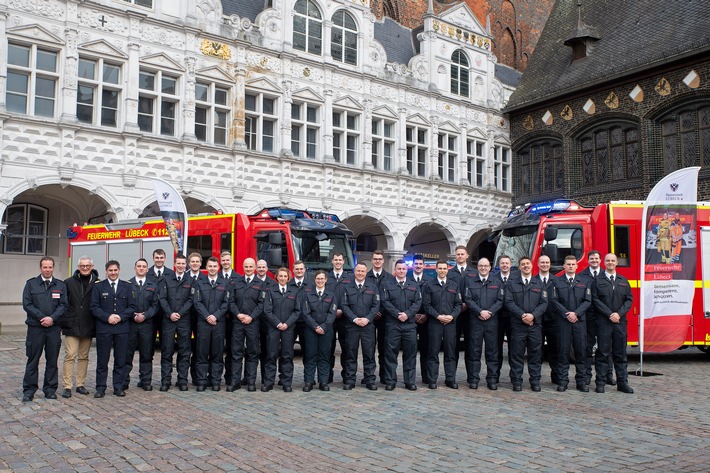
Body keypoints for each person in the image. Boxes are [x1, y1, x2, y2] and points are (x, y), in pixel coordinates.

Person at [21, 256, 68, 402]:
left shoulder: (60, 285)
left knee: (52, 361)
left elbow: (64, 305)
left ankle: (50, 389)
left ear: (53, 268)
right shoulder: (31, 284)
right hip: (36, 328)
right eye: (45, 267)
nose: (47, 270)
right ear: (40, 268)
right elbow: (27, 305)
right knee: (33, 360)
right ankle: (29, 390)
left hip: (54, 329)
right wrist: (42, 318)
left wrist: (52, 318)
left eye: (50, 267)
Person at [91, 260, 135, 398]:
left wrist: (120, 317)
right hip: (104, 328)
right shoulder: (98, 287)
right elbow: (94, 307)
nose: (113, 273)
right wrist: (107, 317)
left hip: (122, 328)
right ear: (106, 271)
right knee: (102, 360)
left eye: (115, 270)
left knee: (121, 360)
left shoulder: (127, 287)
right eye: (110, 270)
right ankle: (100, 388)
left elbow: (132, 307)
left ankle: (118, 387)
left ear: (119, 270)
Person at [592, 253, 634, 394]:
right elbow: (595, 300)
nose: (610, 263)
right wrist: (610, 314)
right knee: (603, 353)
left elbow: (629, 300)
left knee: (620, 354)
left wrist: (619, 314)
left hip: (619, 323)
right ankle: (601, 383)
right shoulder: (598, 281)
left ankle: (622, 383)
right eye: (608, 261)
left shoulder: (623, 280)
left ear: (616, 263)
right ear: (604, 263)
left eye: (613, 261)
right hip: (604, 323)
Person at [504, 257, 548, 392]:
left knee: (535, 354)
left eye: (527, 264)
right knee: (517, 355)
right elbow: (509, 302)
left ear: (531, 265)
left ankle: (535, 381)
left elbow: (544, 303)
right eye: (523, 264)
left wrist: (532, 315)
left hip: (535, 325)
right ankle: (516, 381)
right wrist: (522, 315)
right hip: (518, 325)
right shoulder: (512, 284)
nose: (525, 266)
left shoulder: (539, 284)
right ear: (519, 267)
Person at [380, 260, 422, 391]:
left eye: (404, 269)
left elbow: (417, 302)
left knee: (410, 354)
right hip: (393, 324)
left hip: (409, 325)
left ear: (406, 270)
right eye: (399, 269)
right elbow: (385, 302)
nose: (401, 271)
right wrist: (398, 314)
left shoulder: (414, 285)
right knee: (390, 354)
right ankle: (390, 380)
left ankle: (409, 381)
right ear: (395, 270)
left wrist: (407, 314)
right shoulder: (387, 285)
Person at [60, 256, 99, 398]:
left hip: (89, 324)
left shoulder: (97, 283)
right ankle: (67, 386)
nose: (85, 268)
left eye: (87, 265)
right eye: (82, 265)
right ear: (78, 266)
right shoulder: (68, 282)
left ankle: (80, 384)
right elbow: (63, 303)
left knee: (84, 356)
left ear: (92, 266)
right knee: (70, 355)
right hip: (72, 324)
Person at [551, 255, 591, 392]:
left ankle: (581, 382)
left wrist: (576, 313)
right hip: (563, 322)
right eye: (568, 264)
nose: (571, 266)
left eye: (573, 264)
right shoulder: (557, 281)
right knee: (563, 353)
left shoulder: (584, 281)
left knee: (581, 352)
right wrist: (567, 314)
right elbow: (554, 301)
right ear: (564, 266)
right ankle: (563, 381)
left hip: (579, 322)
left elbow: (587, 301)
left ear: (577, 266)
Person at [462, 257, 503, 390]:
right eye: (481, 266)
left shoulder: (497, 282)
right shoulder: (470, 281)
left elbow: (500, 300)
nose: (483, 268)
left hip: (492, 321)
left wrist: (489, 312)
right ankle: (474, 379)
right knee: (474, 351)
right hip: (476, 320)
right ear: (477, 267)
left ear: (490, 267)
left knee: (492, 351)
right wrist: (480, 312)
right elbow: (468, 299)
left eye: (486, 266)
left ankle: (492, 379)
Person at [192, 257, 230, 391]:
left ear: (218, 268)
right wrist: (208, 316)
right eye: (210, 266)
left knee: (217, 354)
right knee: (202, 353)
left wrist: (215, 316)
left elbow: (226, 304)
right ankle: (202, 381)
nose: (212, 268)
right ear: (206, 268)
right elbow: (197, 302)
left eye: (215, 266)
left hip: (219, 324)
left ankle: (215, 381)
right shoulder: (199, 283)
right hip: (203, 323)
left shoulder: (224, 283)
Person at [577, 250, 614, 386]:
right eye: (592, 259)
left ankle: (608, 374)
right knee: (587, 347)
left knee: (606, 348)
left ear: (600, 260)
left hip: (604, 317)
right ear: (588, 260)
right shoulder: (581, 276)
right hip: (589, 316)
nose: (594, 261)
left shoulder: (607, 275)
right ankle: (587, 375)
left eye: (596, 259)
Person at [341, 262, 381, 390]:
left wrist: (367, 319)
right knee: (350, 353)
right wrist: (354, 319)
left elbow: (376, 306)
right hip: (352, 326)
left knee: (369, 354)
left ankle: (370, 379)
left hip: (367, 326)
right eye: (358, 271)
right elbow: (344, 305)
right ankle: (350, 380)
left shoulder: (373, 287)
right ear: (354, 271)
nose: (360, 273)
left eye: (363, 271)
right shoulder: (347, 287)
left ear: (366, 272)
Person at [424, 260, 462, 389]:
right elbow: (427, 305)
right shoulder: (429, 285)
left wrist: (452, 316)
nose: (442, 270)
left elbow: (458, 304)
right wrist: (438, 316)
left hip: (451, 324)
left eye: (444, 268)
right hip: (435, 323)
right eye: (440, 268)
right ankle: (432, 379)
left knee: (450, 352)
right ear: (436, 269)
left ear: (447, 270)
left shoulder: (454, 285)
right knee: (433, 352)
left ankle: (450, 379)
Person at [228, 258, 264, 392]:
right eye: (246, 266)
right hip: (238, 322)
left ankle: (251, 381)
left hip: (252, 323)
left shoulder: (260, 284)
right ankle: (235, 381)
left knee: (252, 353)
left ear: (254, 267)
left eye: (250, 266)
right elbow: (230, 302)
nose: (248, 269)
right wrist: (238, 314)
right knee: (236, 352)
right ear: (242, 267)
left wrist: (251, 317)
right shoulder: (235, 282)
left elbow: (262, 304)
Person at [262, 267, 300, 392]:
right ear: (276, 277)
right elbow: (267, 310)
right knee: (271, 355)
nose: (283, 278)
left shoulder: (294, 292)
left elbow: (297, 311)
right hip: (274, 328)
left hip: (288, 329)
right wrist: (278, 323)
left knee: (287, 356)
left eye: (285, 276)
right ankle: (268, 382)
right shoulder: (271, 291)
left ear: (288, 278)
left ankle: (286, 382)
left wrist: (287, 324)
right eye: (281, 276)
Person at [159, 254, 193, 391]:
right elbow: (162, 298)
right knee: (167, 351)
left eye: (183, 264)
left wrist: (180, 313)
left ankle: (182, 380)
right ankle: (165, 381)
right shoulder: (166, 279)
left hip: (184, 320)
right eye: (178, 263)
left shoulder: (191, 280)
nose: (180, 266)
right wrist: (170, 313)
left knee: (184, 352)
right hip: (169, 320)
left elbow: (191, 299)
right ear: (175, 265)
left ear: (186, 265)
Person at [124, 258, 160, 391]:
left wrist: (145, 315)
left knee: (146, 354)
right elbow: (125, 304)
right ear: (135, 268)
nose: (141, 268)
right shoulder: (128, 284)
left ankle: (145, 381)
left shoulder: (153, 285)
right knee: (127, 354)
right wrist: (134, 315)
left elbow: (155, 306)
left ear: (147, 269)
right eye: (138, 266)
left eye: (143, 266)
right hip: (131, 325)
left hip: (147, 324)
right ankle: (124, 381)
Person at [302, 271, 337, 391]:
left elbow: (332, 314)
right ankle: (308, 381)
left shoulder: (331, 295)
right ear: (315, 280)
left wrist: (324, 327)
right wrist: (315, 327)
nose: (320, 281)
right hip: (311, 330)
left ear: (326, 280)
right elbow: (305, 313)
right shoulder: (308, 295)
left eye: (322, 279)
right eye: (318, 278)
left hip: (326, 331)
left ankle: (323, 382)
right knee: (310, 355)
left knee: (324, 356)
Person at [366, 250, 394, 384]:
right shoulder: (365, 277)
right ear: (372, 260)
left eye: (380, 259)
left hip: (385, 318)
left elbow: (391, 298)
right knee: (369, 348)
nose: (377, 261)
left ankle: (384, 376)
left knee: (384, 348)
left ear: (383, 261)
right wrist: (372, 313)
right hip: (369, 318)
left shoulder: (390, 278)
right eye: (375, 259)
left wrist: (381, 311)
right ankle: (369, 376)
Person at [448, 245, 476, 374]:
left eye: (462, 254)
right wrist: (458, 305)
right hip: (455, 313)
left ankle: (471, 376)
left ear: (467, 256)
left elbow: (477, 293)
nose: (460, 256)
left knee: (471, 345)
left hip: (471, 313)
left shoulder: (474, 273)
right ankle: (451, 376)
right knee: (453, 345)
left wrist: (468, 304)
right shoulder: (450, 273)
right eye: (458, 254)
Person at [327, 252, 352, 384]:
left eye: (340, 260)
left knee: (346, 348)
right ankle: (327, 376)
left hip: (345, 318)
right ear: (332, 261)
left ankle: (346, 376)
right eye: (335, 260)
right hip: (329, 319)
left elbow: (350, 297)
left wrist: (342, 310)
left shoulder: (349, 278)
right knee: (328, 349)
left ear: (343, 262)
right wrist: (332, 311)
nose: (337, 262)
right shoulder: (326, 277)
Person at [408, 255, 432, 385]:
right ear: (413, 265)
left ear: (424, 265)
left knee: (426, 350)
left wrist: (426, 315)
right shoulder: (407, 279)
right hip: (410, 319)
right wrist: (413, 315)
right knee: (410, 350)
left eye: (420, 264)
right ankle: (410, 378)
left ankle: (426, 376)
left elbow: (432, 300)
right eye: (416, 263)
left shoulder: (429, 281)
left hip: (426, 318)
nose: (418, 266)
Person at [536, 255, 559, 384]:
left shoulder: (557, 281)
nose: (545, 264)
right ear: (538, 264)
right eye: (542, 262)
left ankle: (555, 376)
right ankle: (536, 377)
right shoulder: (533, 281)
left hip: (553, 320)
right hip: (537, 321)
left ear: (550, 264)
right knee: (536, 350)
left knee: (554, 349)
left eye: (547, 262)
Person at [494, 255, 515, 383]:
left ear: (510, 264)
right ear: (499, 265)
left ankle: (514, 377)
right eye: (502, 263)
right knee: (496, 348)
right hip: (497, 318)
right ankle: (495, 376)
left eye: (507, 263)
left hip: (513, 318)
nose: (505, 265)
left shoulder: (516, 278)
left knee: (514, 349)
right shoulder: (493, 279)